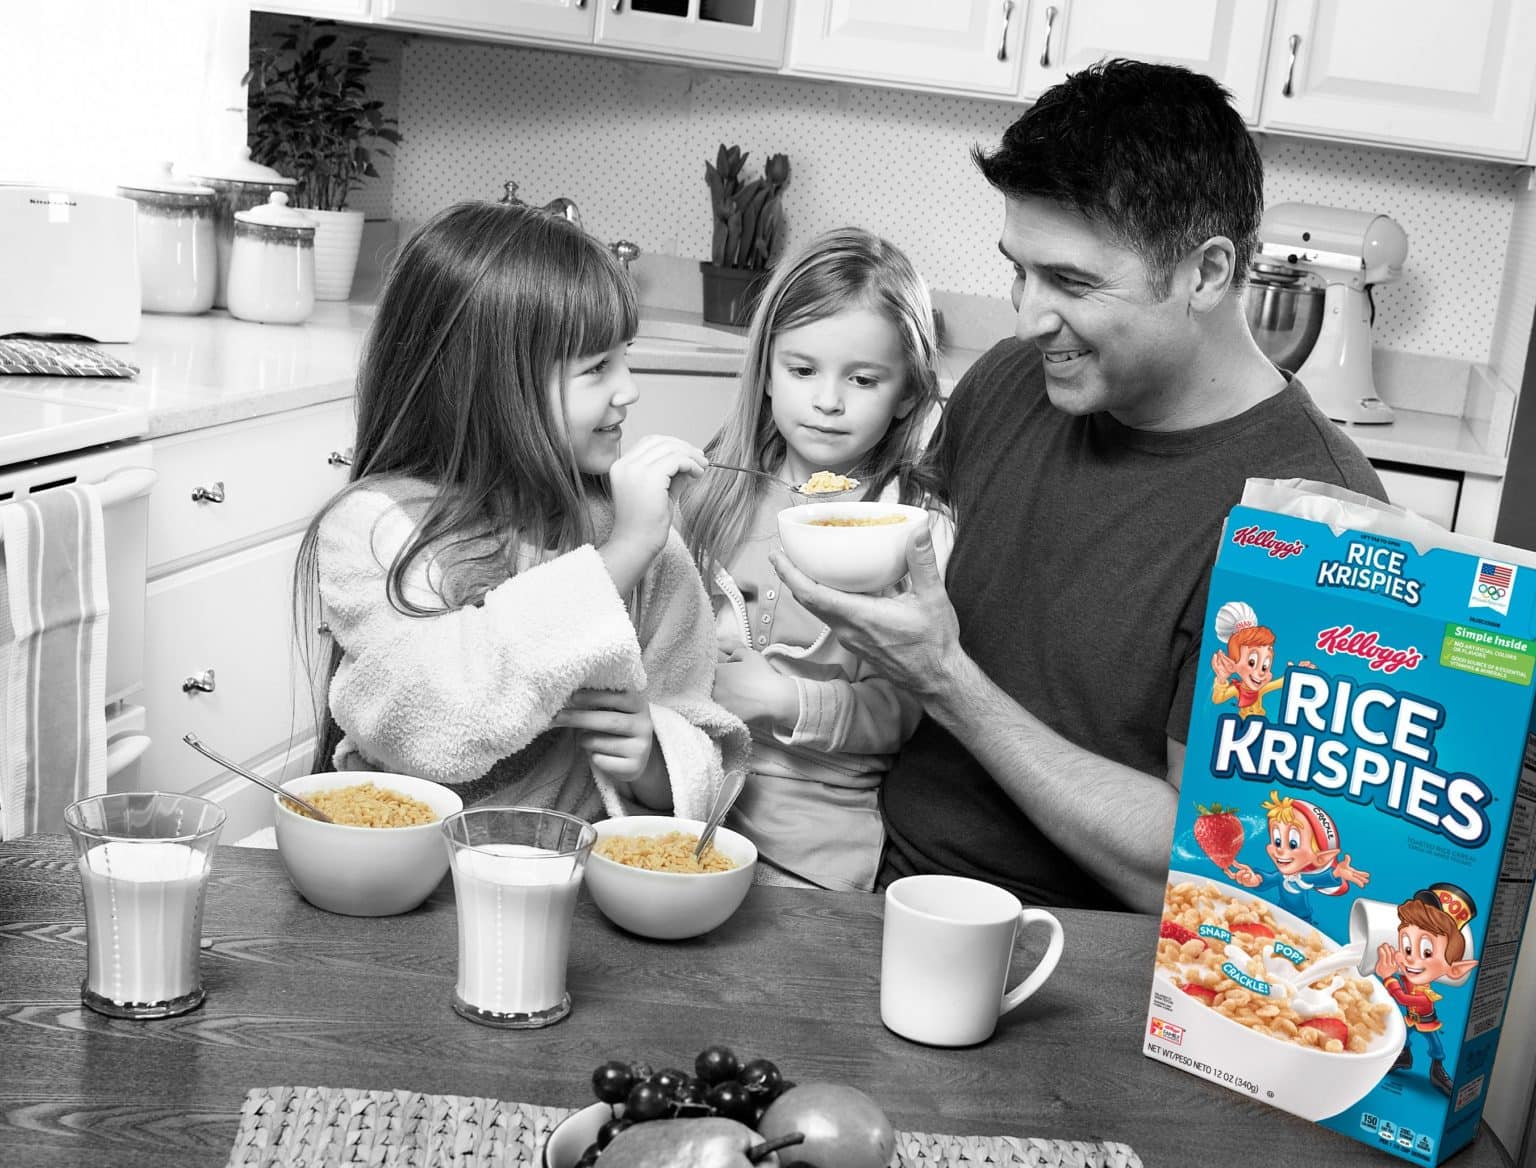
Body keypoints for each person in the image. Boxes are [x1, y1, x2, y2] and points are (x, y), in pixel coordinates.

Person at [769, 59, 1386, 913]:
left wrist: (947, 679)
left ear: (1206, 273)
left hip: (1081, 957)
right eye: (1019, 269)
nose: (1027, 317)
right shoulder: (1016, 379)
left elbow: (1217, 876)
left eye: (1071, 281)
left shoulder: (1321, 526)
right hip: (878, 882)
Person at [294, 201, 749, 823]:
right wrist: (618, 559)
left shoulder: (645, 533)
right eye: (596, 368)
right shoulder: (379, 527)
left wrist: (652, 762)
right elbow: (429, 720)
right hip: (414, 874)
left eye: (626, 355)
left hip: (582, 882)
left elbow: (697, 725)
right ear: (490, 384)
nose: (629, 389)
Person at [677, 227, 953, 891]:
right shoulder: (714, 488)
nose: (828, 401)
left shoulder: (913, 528)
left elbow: (905, 708)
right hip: (687, 811)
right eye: (802, 371)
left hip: (816, 848)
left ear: (909, 393)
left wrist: (782, 699)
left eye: (862, 379)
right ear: (766, 372)